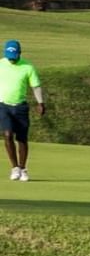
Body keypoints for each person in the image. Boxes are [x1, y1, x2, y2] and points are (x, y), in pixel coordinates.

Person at [1, 39, 45, 183]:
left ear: (20, 53)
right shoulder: (1, 64)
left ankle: (23, 168)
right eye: (9, 56)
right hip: (3, 105)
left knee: (22, 139)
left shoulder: (28, 67)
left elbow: (35, 86)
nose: (11, 60)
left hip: (20, 107)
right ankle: (14, 168)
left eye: (14, 57)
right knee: (7, 135)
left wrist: (40, 103)